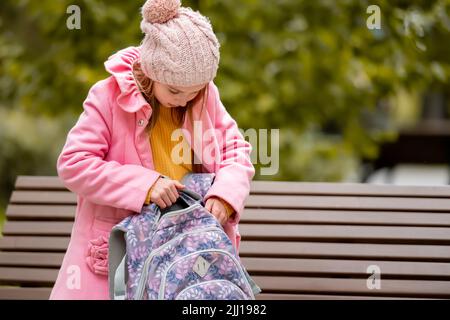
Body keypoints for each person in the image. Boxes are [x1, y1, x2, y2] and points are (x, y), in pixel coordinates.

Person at [49, 0, 255, 300]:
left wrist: (225, 194)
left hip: (185, 249)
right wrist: (145, 184)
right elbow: (74, 163)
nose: (184, 100)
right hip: (120, 252)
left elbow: (235, 148)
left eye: (194, 91)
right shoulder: (108, 97)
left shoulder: (203, 95)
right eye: (174, 91)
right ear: (151, 70)